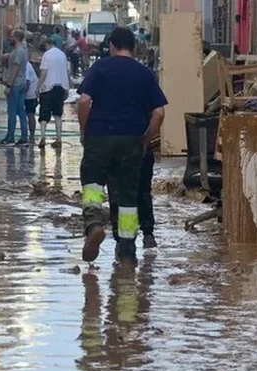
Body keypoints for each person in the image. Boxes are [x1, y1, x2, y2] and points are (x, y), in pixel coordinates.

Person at [77, 27, 167, 263]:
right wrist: (145, 139)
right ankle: (127, 248)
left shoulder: (100, 68)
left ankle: (94, 224)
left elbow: (84, 101)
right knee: (128, 193)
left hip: (100, 136)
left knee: (93, 184)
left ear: (113, 46)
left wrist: (85, 130)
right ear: (133, 47)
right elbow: (159, 112)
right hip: (131, 140)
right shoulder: (144, 73)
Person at [108, 136, 159, 248]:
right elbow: (158, 117)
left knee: (116, 193)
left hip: (113, 148)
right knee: (143, 191)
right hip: (139, 146)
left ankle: (121, 238)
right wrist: (146, 141)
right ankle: (148, 234)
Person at [0, 29, 30, 146]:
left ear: (16, 38)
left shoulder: (18, 52)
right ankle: (24, 137)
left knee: (12, 111)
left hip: (15, 85)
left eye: (11, 36)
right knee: (21, 111)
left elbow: (15, 69)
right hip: (22, 83)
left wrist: (9, 85)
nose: (9, 38)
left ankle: (10, 137)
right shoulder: (21, 51)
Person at [36, 37, 70, 149]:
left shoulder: (47, 55)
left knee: (44, 114)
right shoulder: (62, 55)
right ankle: (59, 138)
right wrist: (67, 88)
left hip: (48, 88)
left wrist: (38, 87)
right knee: (58, 114)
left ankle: (42, 137)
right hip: (60, 87)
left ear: (47, 44)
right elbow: (67, 72)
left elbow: (44, 73)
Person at [24, 61, 39, 144]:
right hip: (28, 93)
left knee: (30, 114)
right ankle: (27, 134)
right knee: (28, 114)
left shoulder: (25, 65)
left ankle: (31, 135)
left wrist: (21, 95)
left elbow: (27, 82)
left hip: (31, 94)